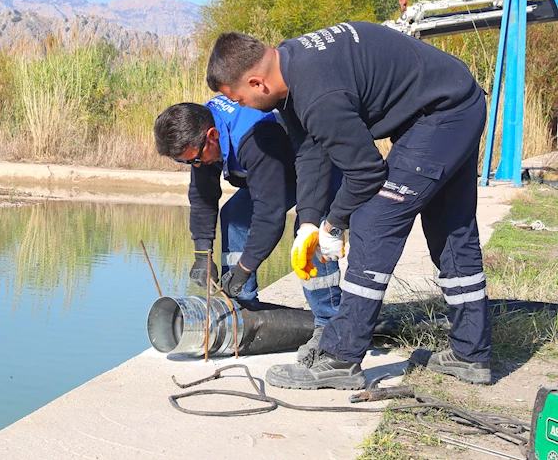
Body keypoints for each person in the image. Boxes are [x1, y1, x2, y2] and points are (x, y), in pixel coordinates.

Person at [206, 22, 491, 389]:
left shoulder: (317, 92)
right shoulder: (291, 65)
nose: (241, 106)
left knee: (375, 220)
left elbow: (367, 173)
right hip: (452, 101)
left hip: (443, 114)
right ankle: (471, 353)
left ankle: (340, 356)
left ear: (257, 83)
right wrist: (308, 222)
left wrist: (334, 224)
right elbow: (311, 150)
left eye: (240, 98)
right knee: (450, 228)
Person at [153, 96, 342, 358]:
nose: (195, 166)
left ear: (212, 135)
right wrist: (202, 254)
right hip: (280, 168)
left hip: (322, 165)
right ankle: (242, 306)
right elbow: (203, 196)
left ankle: (329, 323)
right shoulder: (200, 129)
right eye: (187, 163)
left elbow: (269, 216)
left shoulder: (253, 136)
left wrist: (245, 267)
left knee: (310, 234)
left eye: (195, 159)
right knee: (235, 214)